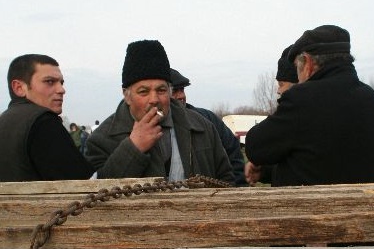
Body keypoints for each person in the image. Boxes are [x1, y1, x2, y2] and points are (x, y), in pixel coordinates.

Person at [244, 24, 374, 187]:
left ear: (307, 64)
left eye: (297, 68)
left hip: (309, 213)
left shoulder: (302, 100)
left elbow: (255, 147)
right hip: (366, 212)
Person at [85, 40, 234, 184]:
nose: (154, 99)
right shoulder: (101, 140)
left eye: (161, 90)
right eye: (143, 91)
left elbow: (226, 179)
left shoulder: (202, 127)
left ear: (169, 91)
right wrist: (133, 148)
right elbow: (97, 196)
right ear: (127, 95)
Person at [0, 54, 94, 181]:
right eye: (49, 82)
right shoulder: (42, 122)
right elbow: (86, 184)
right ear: (19, 88)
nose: (61, 90)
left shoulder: (5, 121)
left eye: (61, 82)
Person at [170, 68, 246, 185]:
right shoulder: (152, 126)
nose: (181, 96)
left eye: (182, 90)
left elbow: (233, 155)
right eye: (175, 91)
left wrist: (237, 192)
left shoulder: (207, 119)